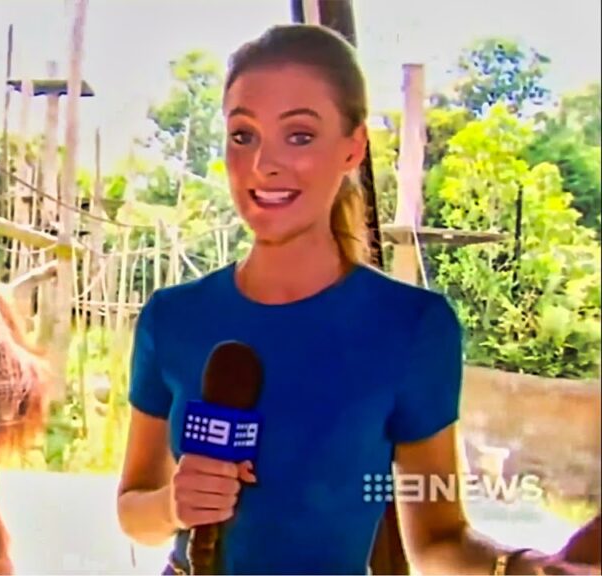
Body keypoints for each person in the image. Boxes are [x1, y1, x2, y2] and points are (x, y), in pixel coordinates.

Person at [115, 23, 601, 576]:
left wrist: (525, 567)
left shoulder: (414, 328)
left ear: (353, 147)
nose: (263, 164)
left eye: (298, 135)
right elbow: (134, 510)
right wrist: (172, 505)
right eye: (242, 135)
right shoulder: (172, 318)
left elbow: (439, 536)